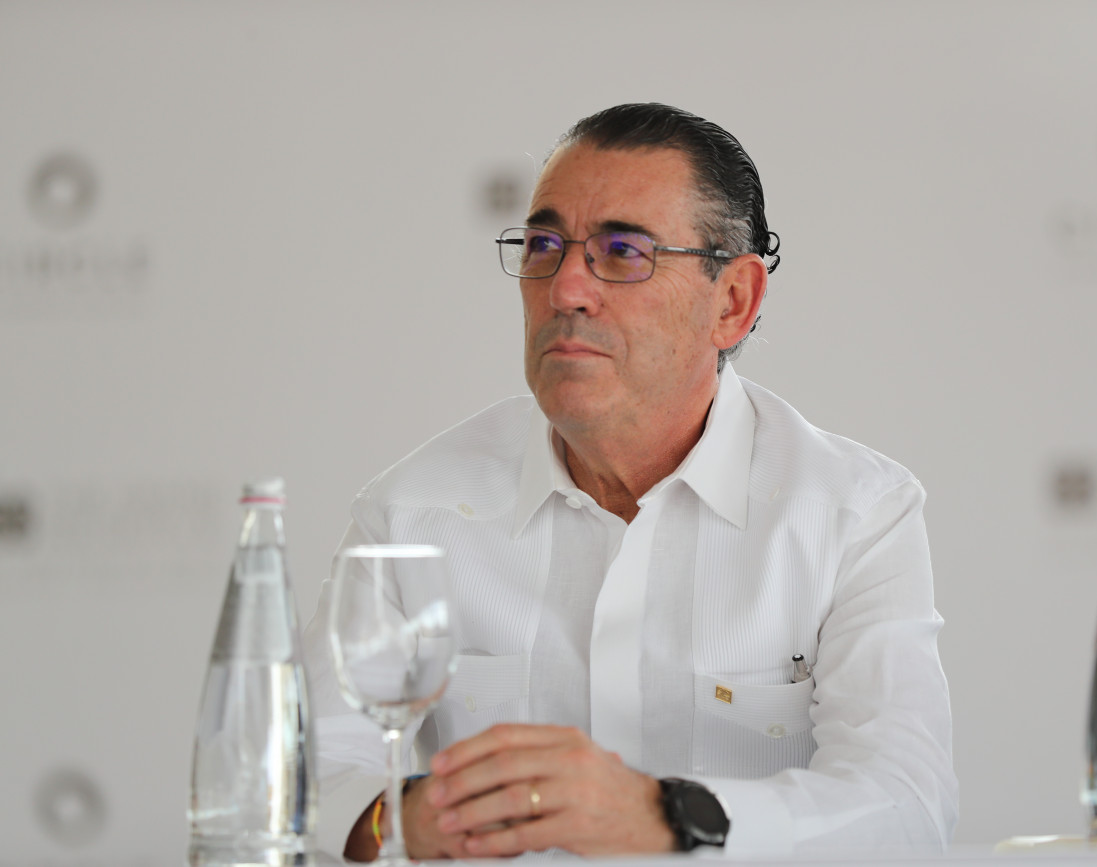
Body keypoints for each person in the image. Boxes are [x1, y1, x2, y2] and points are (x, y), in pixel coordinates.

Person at [302, 102, 958, 860]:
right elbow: (300, 782)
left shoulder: (855, 515)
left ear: (733, 303)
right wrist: (404, 819)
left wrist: (666, 817)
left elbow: (907, 807)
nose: (565, 290)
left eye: (623, 252)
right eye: (544, 246)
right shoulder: (412, 513)